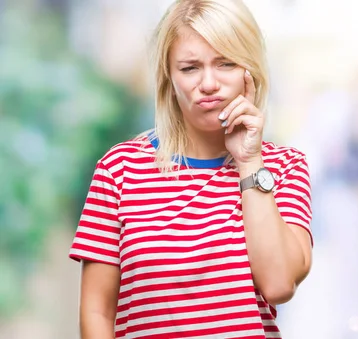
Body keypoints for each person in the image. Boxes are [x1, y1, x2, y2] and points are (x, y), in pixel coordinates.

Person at [68, 1, 313, 338]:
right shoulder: (119, 169)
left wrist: (249, 161)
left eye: (225, 62)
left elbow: (278, 285)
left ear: (250, 70)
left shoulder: (284, 168)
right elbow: (97, 311)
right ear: (169, 76)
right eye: (190, 68)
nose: (209, 83)